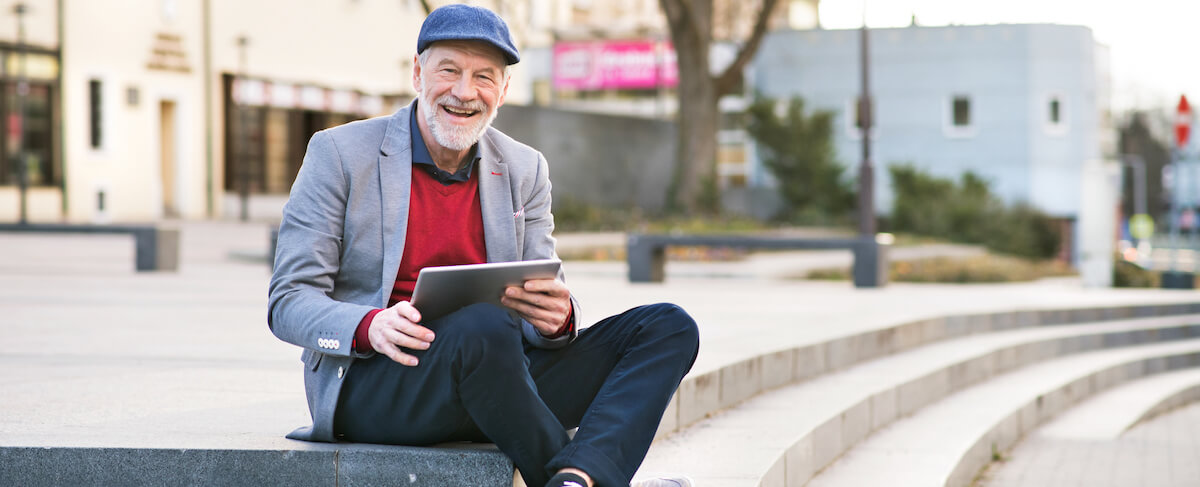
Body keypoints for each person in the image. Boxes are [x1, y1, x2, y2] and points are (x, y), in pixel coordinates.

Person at [267, 5, 699, 487]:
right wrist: (371, 326)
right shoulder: (340, 154)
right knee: (484, 323)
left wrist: (559, 321)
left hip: (500, 379)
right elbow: (288, 301)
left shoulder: (524, 167)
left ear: (503, 90)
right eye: (449, 70)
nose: (464, 92)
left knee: (667, 326)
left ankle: (578, 477)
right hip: (382, 384)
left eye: (484, 77)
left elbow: (546, 289)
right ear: (417, 72)